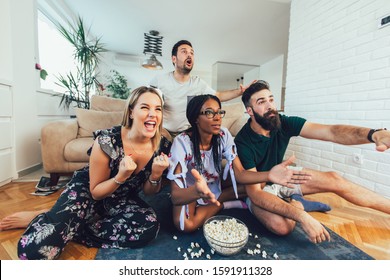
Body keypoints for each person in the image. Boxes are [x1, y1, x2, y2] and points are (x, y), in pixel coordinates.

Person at [14, 86, 171, 259]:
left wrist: (155, 175)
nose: (153, 114)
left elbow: (149, 192)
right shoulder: (107, 140)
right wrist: (121, 176)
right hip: (88, 191)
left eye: (158, 109)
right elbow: (96, 193)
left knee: (149, 227)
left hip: (121, 199)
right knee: (35, 252)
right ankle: (59, 219)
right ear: (131, 112)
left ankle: (68, 222)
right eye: (145, 107)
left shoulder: (162, 146)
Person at [234, 80, 390, 244]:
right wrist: (302, 216)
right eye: (261, 102)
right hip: (260, 188)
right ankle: (298, 204)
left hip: (283, 176)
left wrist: (373, 134)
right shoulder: (243, 142)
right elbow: (256, 194)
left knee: (334, 179)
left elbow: (332, 132)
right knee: (282, 227)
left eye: (271, 99)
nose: (270, 106)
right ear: (250, 111)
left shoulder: (284, 122)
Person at [167, 94, 311, 232]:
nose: (217, 118)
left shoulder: (223, 135)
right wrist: (196, 191)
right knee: (185, 225)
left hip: (214, 184)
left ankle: (220, 201)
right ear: (195, 118)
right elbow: (175, 196)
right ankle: (223, 204)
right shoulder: (182, 143)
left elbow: (240, 173)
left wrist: (269, 175)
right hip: (191, 189)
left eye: (219, 112)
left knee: (259, 184)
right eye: (209, 113)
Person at [150, 40, 254, 136]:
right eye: (184, 52)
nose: (189, 55)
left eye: (191, 53)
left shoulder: (198, 83)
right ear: (174, 59)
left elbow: (218, 95)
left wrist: (240, 92)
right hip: (164, 132)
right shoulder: (160, 81)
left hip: (187, 134)